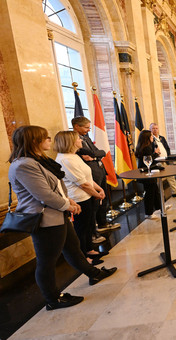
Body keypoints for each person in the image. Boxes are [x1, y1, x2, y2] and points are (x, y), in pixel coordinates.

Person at [8, 126, 116, 310]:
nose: (50, 140)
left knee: (73, 249)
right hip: (44, 219)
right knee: (47, 261)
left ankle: (93, 273)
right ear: (34, 141)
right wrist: (69, 205)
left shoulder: (37, 160)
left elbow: (55, 187)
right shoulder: (24, 165)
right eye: (46, 138)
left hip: (57, 214)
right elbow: (44, 194)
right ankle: (53, 299)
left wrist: (67, 201)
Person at [54, 131, 107, 265]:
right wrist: (98, 194)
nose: (81, 141)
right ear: (70, 142)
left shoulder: (73, 156)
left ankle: (89, 249)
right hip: (78, 198)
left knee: (89, 225)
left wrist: (98, 189)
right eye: (78, 139)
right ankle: (83, 256)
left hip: (87, 195)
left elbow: (87, 178)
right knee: (81, 228)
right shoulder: (65, 159)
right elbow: (82, 184)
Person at [71, 117, 119, 240]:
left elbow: (100, 152)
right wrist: (94, 155)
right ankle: (93, 232)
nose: (88, 130)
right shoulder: (73, 139)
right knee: (94, 202)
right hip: (90, 173)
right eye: (86, 127)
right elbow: (91, 153)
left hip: (99, 170)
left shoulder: (86, 137)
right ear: (76, 126)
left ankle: (102, 223)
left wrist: (94, 156)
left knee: (104, 198)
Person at [135, 130, 162, 218]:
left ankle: (160, 207)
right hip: (147, 172)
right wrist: (156, 153)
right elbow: (149, 160)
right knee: (150, 193)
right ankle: (148, 213)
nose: (152, 137)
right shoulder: (146, 148)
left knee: (155, 190)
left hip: (147, 172)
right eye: (151, 136)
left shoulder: (143, 146)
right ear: (147, 138)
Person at [150, 123, 176, 197]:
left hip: (166, 160)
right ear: (150, 129)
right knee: (159, 180)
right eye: (153, 128)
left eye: (156, 128)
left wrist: (169, 157)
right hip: (158, 162)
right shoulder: (150, 139)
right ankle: (161, 195)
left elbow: (167, 148)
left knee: (171, 176)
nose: (155, 130)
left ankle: (175, 192)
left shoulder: (161, 138)